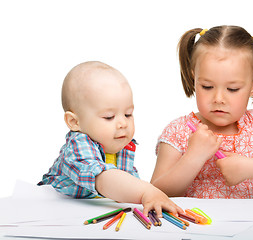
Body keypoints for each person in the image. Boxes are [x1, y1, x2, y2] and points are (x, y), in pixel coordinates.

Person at [151, 26, 253, 199]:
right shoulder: (179, 130)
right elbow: (155, 192)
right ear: (194, 79)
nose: (218, 98)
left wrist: (248, 167)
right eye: (207, 87)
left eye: (232, 89)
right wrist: (193, 157)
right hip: (200, 224)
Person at [38, 61, 182, 216]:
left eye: (128, 114)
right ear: (74, 122)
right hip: (51, 210)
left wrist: (151, 197)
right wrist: (146, 191)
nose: (123, 123)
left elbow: (126, 187)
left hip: (86, 212)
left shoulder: (121, 146)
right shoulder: (77, 146)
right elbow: (104, 179)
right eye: (109, 117)